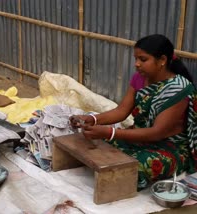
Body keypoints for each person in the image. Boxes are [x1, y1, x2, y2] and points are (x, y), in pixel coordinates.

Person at [70, 34, 197, 189]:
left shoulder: (179, 90)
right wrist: (93, 119)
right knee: (95, 143)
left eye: (143, 60)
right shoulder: (140, 78)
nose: (137, 64)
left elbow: (157, 133)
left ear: (162, 60)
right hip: (139, 138)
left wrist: (110, 133)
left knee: (139, 166)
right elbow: (121, 111)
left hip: (168, 148)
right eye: (136, 59)